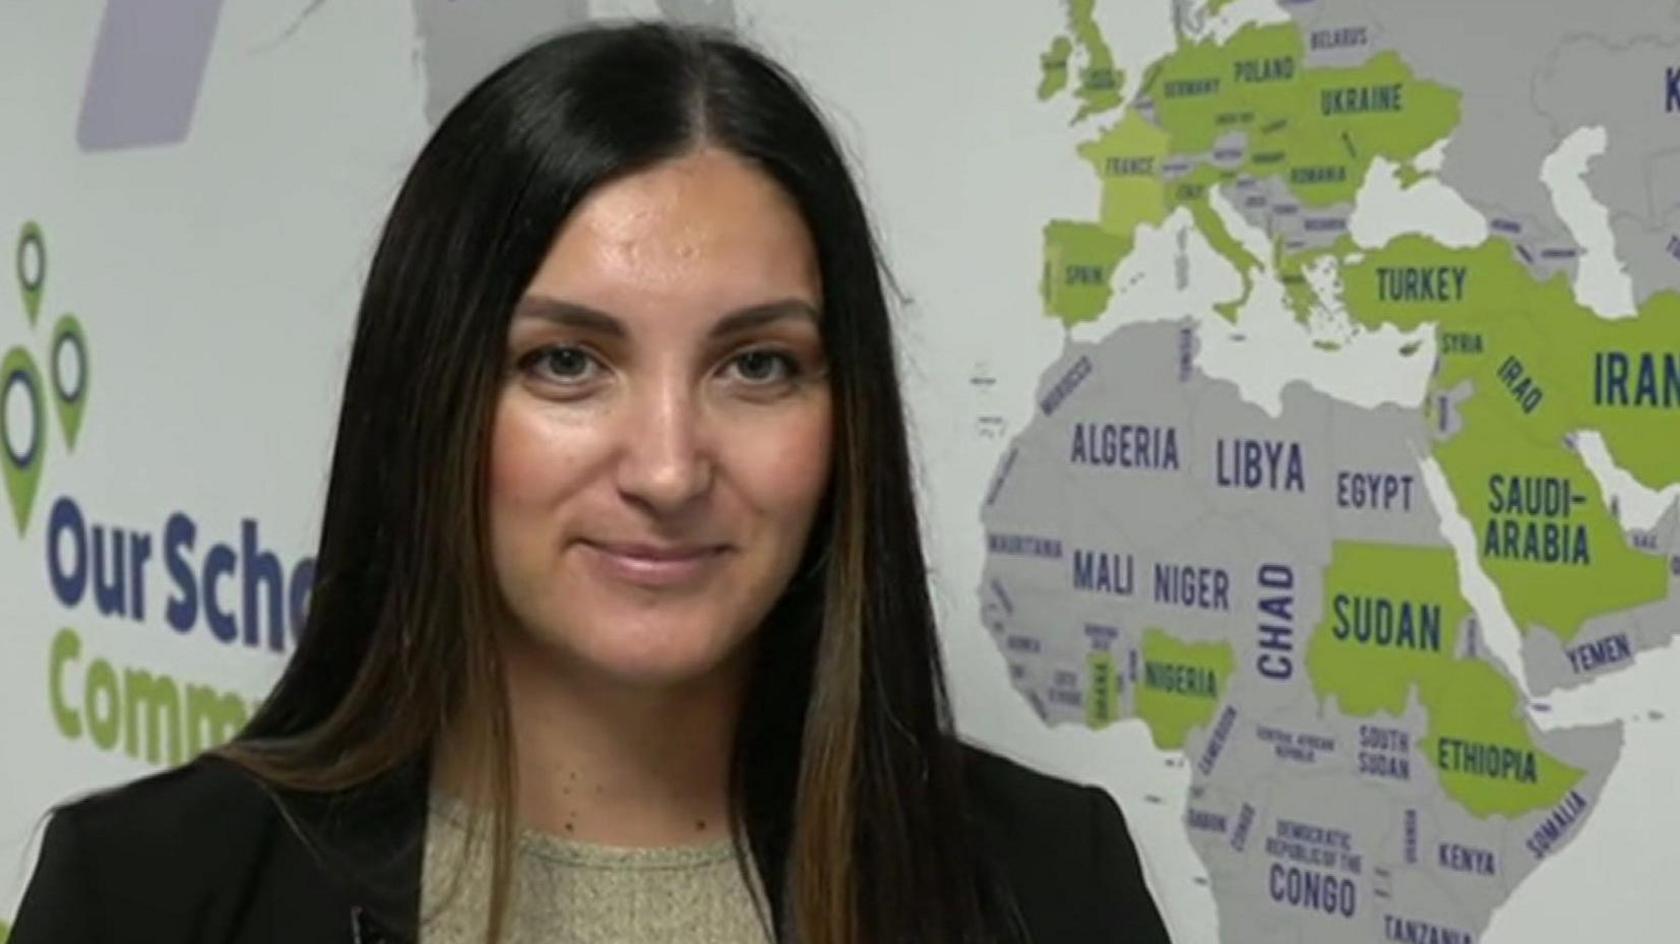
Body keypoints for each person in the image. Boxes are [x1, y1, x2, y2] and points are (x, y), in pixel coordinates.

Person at [9, 20, 1170, 944]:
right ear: (432, 401)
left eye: (757, 364)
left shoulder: (1046, 881)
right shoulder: (154, 893)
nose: (668, 466)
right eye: (567, 362)